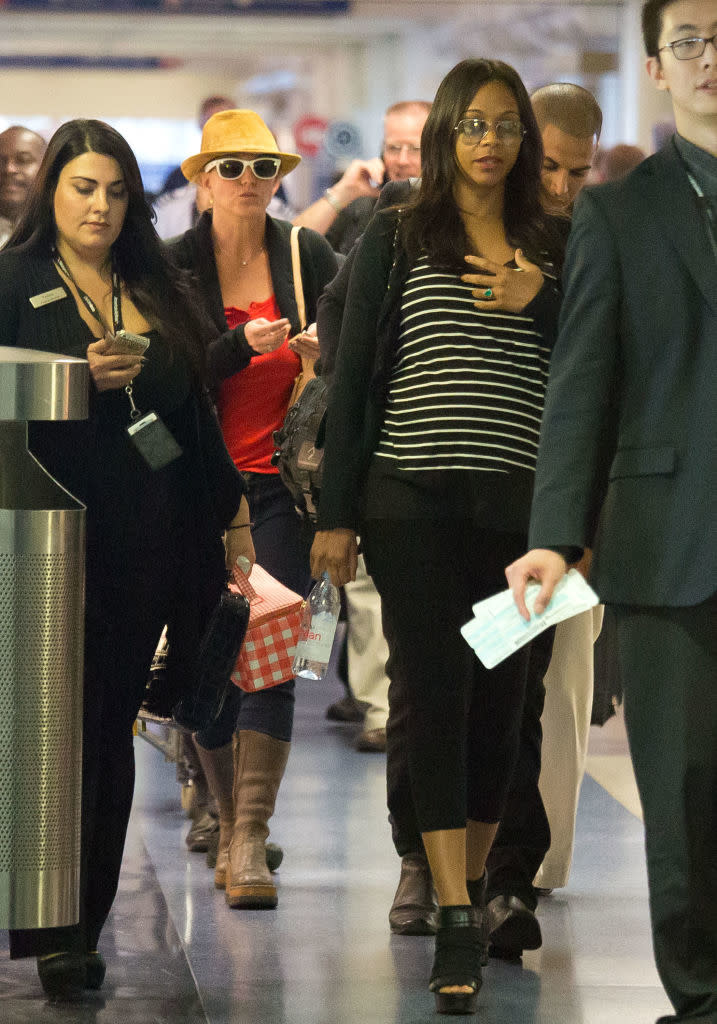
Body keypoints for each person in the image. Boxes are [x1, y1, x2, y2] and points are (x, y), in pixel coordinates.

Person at [311, 58, 565, 1015]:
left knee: (503, 711)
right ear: (445, 134)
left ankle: (478, 876)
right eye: (473, 124)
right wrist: (337, 516)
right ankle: (454, 910)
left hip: (520, 519)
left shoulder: (556, 241)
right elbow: (356, 383)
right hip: (409, 507)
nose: (490, 141)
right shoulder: (394, 235)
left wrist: (534, 300)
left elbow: (588, 365)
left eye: (505, 125)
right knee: (435, 699)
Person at [0, 118, 252, 1001]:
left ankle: (79, 928)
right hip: (45, 545)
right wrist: (75, 373)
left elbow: (191, 416)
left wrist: (234, 513)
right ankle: (40, 914)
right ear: (51, 194)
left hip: (156, 545)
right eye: (82, 188)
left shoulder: (158, 284)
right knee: (50, 735)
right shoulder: (14, 280)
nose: (99, 205)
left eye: (113, 190)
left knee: (108, 733)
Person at [505, 0, 717, 1019]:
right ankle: (701, 994)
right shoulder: (622, 212)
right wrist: (553, 531)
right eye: (691, 42)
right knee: (681, 796)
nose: (711, 59)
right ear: (658, 66)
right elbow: (581, 381)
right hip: (669, 542)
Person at [167, 108, 339, 911]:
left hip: (282, 481)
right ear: (202, 181)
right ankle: (228, 817)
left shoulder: (304, 255)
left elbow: (353, 344)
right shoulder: (172, 268)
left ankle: (247, 835)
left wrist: (316, 354)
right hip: (198, 484)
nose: (247, 183)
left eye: (262, 169)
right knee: (210, 653)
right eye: (229, 168)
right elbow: (168, 375)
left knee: (270, 650)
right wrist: (245, 347)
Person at [483, 81, 604, 958]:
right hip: (463, 498)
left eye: (578, 170)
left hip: (563, 511)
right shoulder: (442, 230)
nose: (560, 185)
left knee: (550, 694)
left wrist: (545, 300)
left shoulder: (596, 244)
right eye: (550, 166)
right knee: (457, 690)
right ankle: (440, 862)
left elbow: (614, 365)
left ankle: (528, 867)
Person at [295, 100, 431, 255]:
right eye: (394, 148)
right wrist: (343, 192)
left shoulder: (454, 212)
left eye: (416, 149)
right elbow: (287, 249)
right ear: (382, 153)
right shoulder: (362, 209)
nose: (402, 160)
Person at [531, 83, 602, 208]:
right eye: (549, 167)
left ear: (594, 151)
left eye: (577, 173)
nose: (561, 189)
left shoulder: (594, 222)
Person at [0, 125, 46, 247]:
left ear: (47, 168)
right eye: (0, 161)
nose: (9, 169)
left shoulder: (62, 235)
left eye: (23, 160)